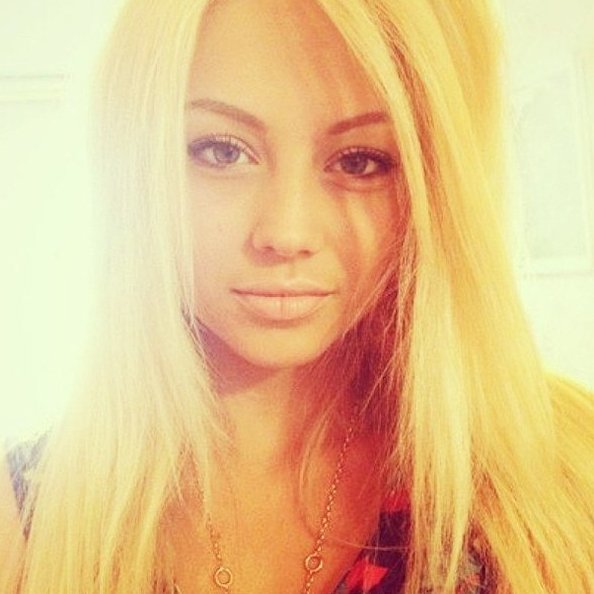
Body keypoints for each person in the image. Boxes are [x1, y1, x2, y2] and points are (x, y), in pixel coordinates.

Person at [1, 0, 594, 592]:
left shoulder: (563, 470)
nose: (287, 234)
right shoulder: (28, 517)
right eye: (222, 151)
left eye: (359, 162)